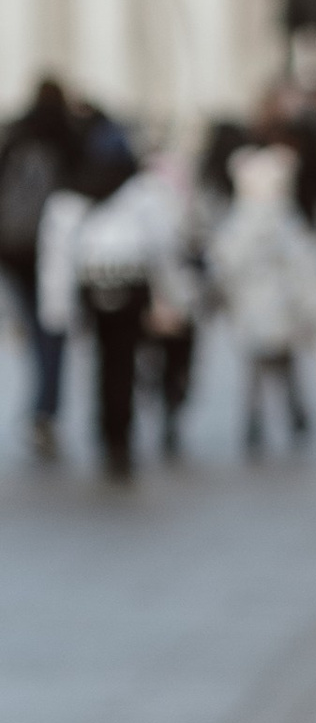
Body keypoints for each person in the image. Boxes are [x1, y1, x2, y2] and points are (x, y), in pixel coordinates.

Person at [52, 136, 196, 483]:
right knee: (122, 361)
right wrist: (176, 297)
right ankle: (119, 434)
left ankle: (109, 430)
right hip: (130, 287)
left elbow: (57, 255)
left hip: (94, 288)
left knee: (104, 361)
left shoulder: (71, 197)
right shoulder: (143, 194)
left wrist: (56, 309)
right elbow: (163, 250)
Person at [210, 139, 316, 451]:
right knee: (284, 367)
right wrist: (314, 308)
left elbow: (224, 266)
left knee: (257, 373)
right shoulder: (287, 225)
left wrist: (221, 299)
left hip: (253, 312)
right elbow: (305, 268)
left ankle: (257, 421)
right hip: (282, 310)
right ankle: (292, 415)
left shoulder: (239, 226)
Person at [0, 76, 83, 460]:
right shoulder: (68, 132)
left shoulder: (16, 133)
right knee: (52, 328)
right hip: (54, 247)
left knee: (36, 329)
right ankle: (45, 409)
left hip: (13, 247)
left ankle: (41, 405)